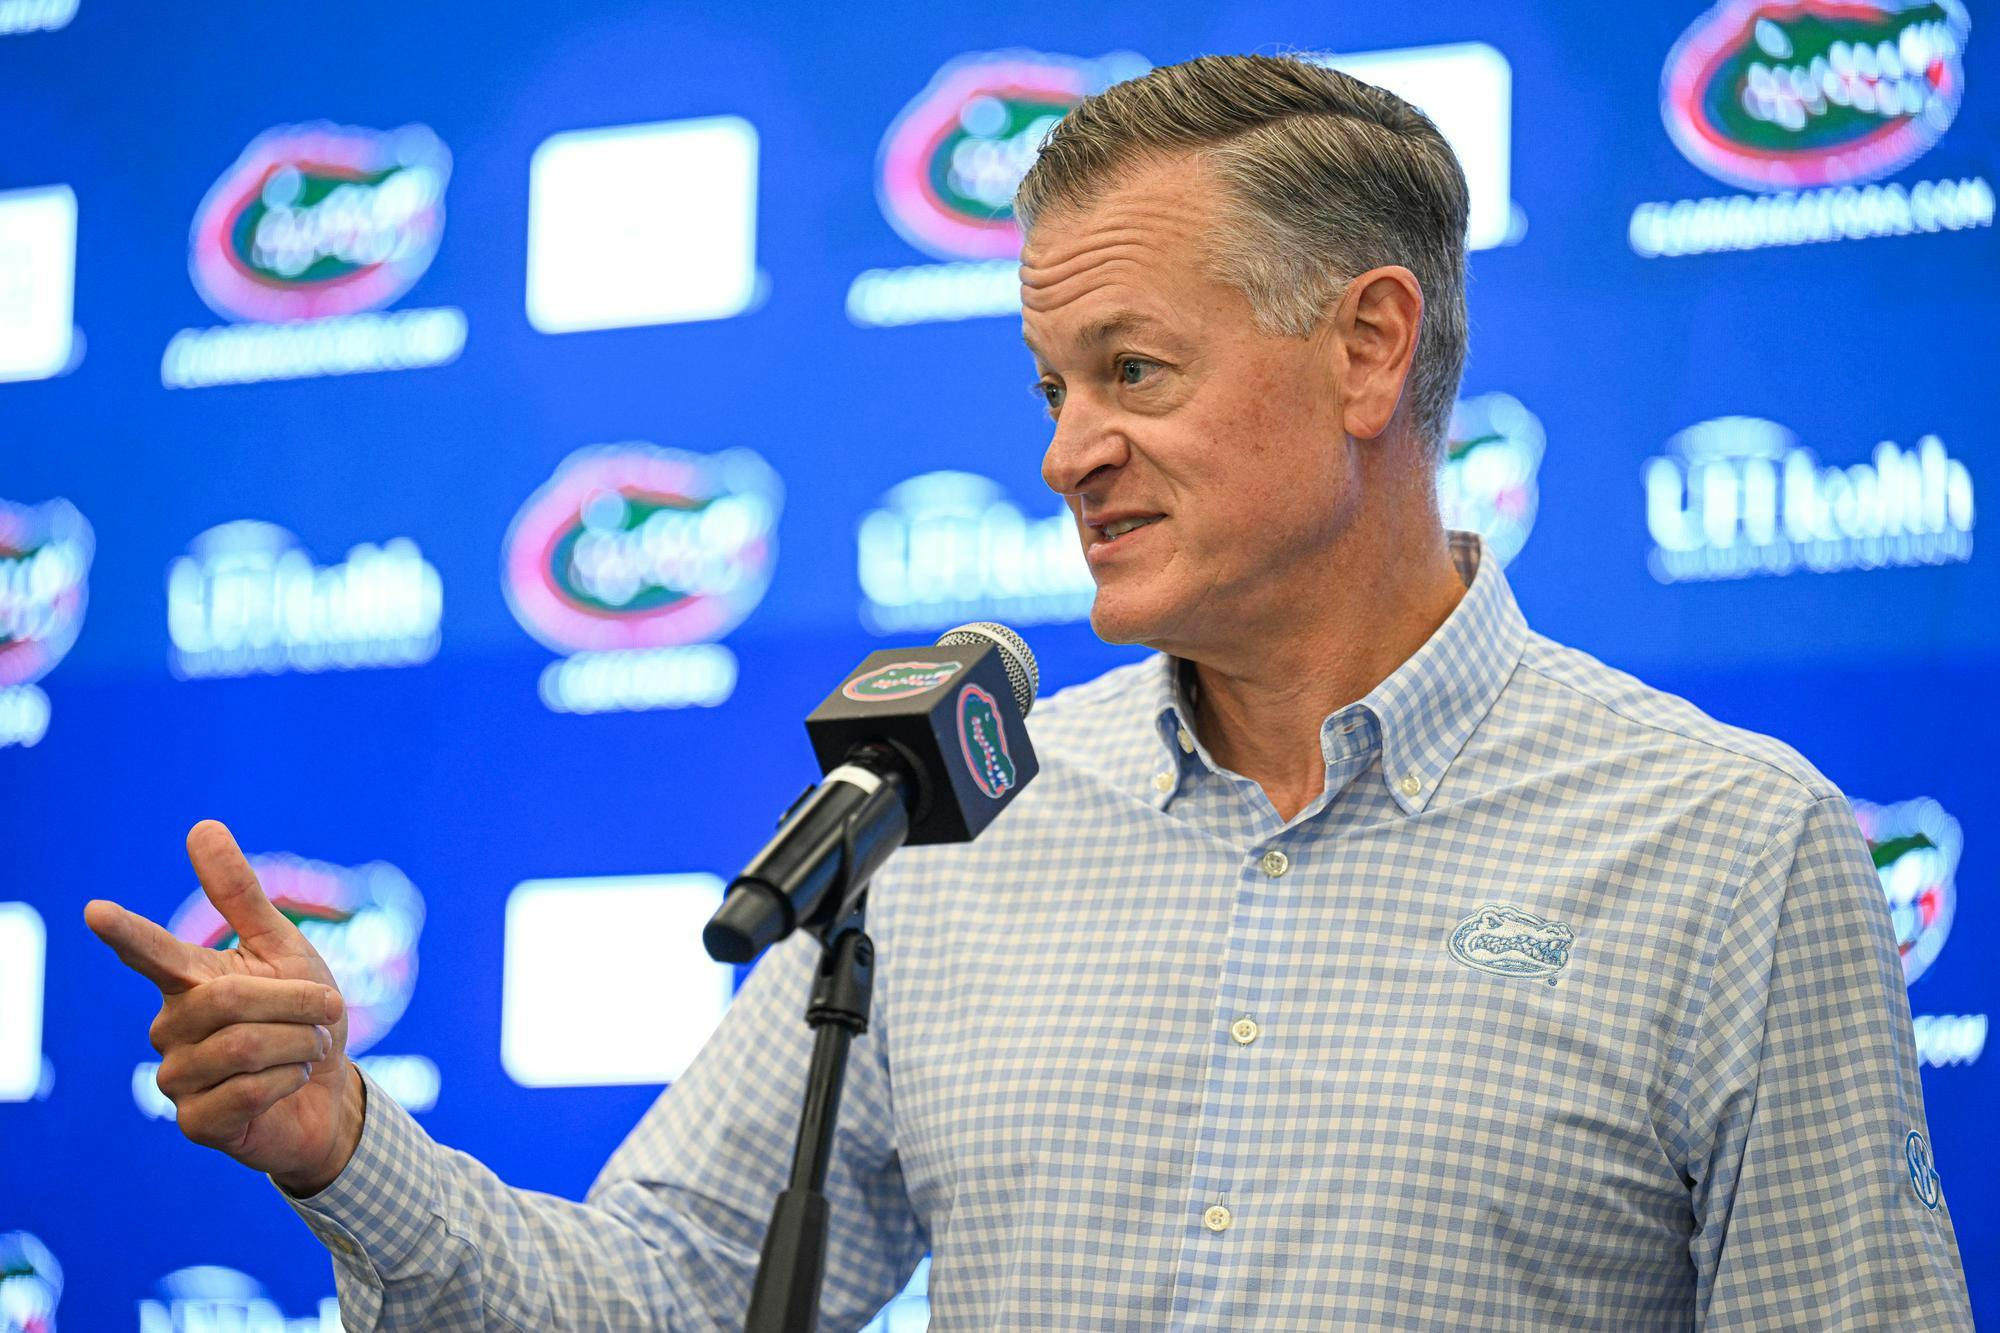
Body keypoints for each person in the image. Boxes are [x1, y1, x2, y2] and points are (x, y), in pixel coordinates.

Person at [86, 54, 1972, 1330]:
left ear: (1368, 349)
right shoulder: (949, 820)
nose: (1072, 451)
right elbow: (668, 1293)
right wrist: (344, 1145)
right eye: (1050, 388)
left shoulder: (1732, 845)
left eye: (1134, 371)